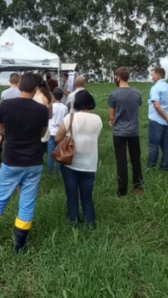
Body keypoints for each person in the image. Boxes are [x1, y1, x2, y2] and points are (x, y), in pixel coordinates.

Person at [0, 73, 49, 254]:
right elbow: (42, 134)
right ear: (35, 90)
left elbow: (1, 128)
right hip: (34, 161)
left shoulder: (6, 105)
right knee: (27, 202)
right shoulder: (41, 110)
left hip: (11, 160)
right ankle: (19, 245)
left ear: (19, 87)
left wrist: (5, 131)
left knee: (0, 199)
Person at [56, 90, 102, 227]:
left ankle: (73, 222)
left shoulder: (70, 118)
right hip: (90, 163)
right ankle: (90, 222)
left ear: (76, 102)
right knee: (87, 197)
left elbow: (58, 137)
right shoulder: (98, 119)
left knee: (72, 196)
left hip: (71, 162)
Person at [108, 67, 144, 197]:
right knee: (136, 160)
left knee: (121, 162)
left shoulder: (114, 95)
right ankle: (138, 188)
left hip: (119, 133)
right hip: (134, 132)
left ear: (118, 77)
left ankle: (122, 192)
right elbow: (136, 111)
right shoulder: (137, 93)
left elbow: (111, 116)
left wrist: (112, 122)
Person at [147, 67, 168, 171]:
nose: (151, 77)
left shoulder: (156, 87)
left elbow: (156, 105)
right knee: (166, 145)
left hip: (156, 120)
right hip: (166, 122)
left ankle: (151, 167)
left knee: (153, 145)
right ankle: (164, 167)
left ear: (157, 76)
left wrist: (166, 116)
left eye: (152, 75)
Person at [46, 87, 69, 174]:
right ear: (62, 96)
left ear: (53, 96)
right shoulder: (65, 107)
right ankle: (59, 170)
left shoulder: (51, 106)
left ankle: (49, 171)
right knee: (60, 152)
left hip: (51, 131)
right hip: (60, 132)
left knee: (51, 153)